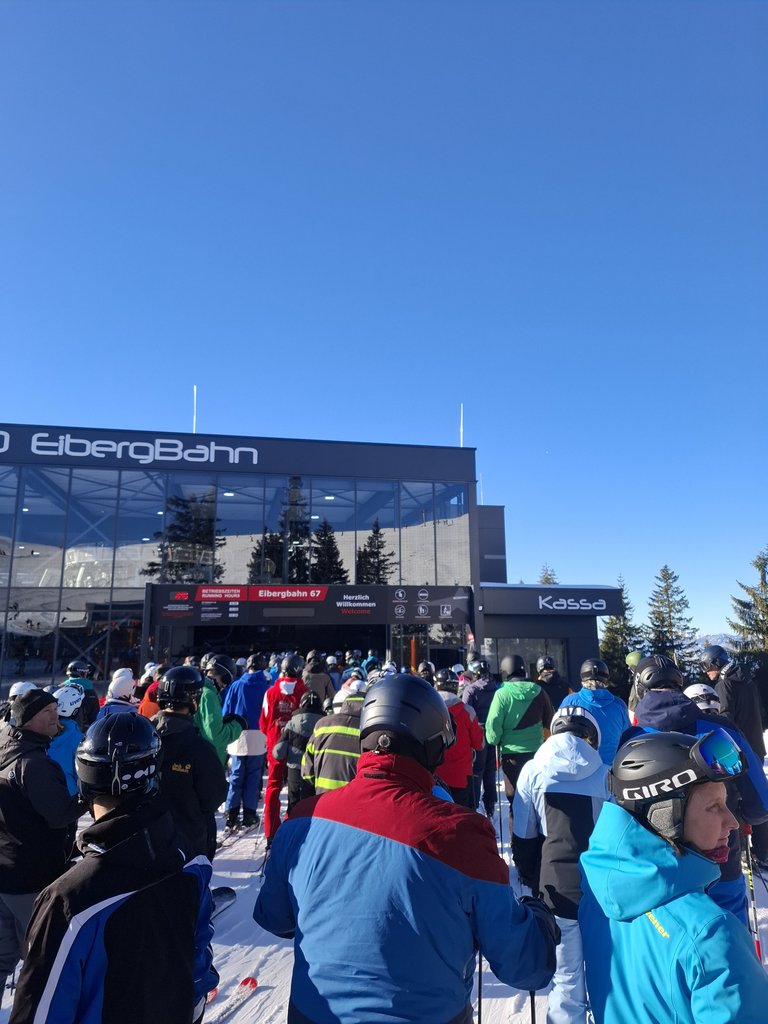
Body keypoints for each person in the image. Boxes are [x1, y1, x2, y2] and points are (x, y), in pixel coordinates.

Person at [254, 673, 559, 1024]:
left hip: (311, 1014)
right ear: (433, 748)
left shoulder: (302, 820)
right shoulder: (462, 834)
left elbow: (275, 917)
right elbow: (526, 966)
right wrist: (539, 917)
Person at [9, 713, 218, 1024]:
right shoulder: (192, 863)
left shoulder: (69, 900)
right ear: (153, 778)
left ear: (84, 780)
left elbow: (40, 1013)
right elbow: (198, 962)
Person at [579, 729, 768, 1023]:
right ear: (665, 816)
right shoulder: (710, 934)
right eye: (714, 807)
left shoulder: (597, 887)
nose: (732, 821)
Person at [630, 654, 768, 925]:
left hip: (659, 871)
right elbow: (761, 804)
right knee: (728, 940)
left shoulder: (631, 739)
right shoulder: (721, 731)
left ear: (640, 690)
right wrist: (735, 813)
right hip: (719, 861)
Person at [513, 705, 610, 1024]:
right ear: (592, 737)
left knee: (566, 980)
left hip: (555, 890)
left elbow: (524, 838)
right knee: (607, 973)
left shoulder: (532, 771)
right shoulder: (606, 774)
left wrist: (530, 883)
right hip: (601, 891)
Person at [0, 689, 84, 995]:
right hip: (31, 878)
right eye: (46, 712)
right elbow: (59, 815)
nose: (55, 717)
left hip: (6, 871)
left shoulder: (7, 746)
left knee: (3, 956)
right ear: (28, 720)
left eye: (55, 709)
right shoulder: (34, 764)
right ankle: (35, 1012)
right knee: (45, 959)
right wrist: (89, 797)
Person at [153, 666, 228, 860]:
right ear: (193, 699)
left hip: (147, 842)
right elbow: (213, 797)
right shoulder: (200, 748)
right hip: (188, 843)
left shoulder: (143, 737)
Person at [486, 654, 553, 829]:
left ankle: (518, 841)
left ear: (505, 671)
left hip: (511, 758)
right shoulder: (539, 691)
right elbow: (550, 721)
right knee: (538, 799)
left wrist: (498, 739)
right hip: (537, 755)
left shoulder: (501, 694)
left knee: (516, 802)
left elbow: (492, 732)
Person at [260, 654, 308, 847]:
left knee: (273, 787)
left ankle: (271, 831)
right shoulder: (304, 691)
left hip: (275, 745)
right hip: (297, 747)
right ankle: (292, 827)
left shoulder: (271, 692)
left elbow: (263, 722)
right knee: (296, 789)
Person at [221, 652, 271, 831]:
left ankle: (231, 814)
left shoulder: (236, 685)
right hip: (258, 733)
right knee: (253, 775)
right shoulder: (266, 686)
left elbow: (226, 710)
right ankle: (249, 814)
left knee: (236, 775)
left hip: (238, 732)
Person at [559, 658, 630, 765]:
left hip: (581, 768)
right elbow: (627, 737)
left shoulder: (570, 701)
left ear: (582, 678)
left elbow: (560, 735)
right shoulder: (619, 704)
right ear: (606, 679)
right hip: (612, 768)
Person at [302, 683, 365, 796]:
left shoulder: (322, 725)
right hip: (354, 800)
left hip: (323, 798)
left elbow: (307, 769)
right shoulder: (368, 731)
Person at [434, 668, 484, 807]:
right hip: (461, 777)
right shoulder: (467, 711)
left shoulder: (428, 709)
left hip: (434, 777)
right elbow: (479, 744)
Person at [273, 691, 324, 814]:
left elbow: (278, 752)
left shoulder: (292, 723)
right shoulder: (325, 723)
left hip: (295, 771)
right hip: (316, 772)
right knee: (312, 807)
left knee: (294, 806)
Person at [461, 657, 499, 818]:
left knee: (476, 771)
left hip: (477, 733)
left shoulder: (471, 689)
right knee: (490, 771)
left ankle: (474, 804)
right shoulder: (497, 688)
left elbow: (465, 711)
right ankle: (490, 805)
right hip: (493, 732)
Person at [194, 653, 245, 765]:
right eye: (227, 681)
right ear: (225, 677)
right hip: (208, 760)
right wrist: (238, 726)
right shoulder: (209, 695)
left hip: (198, 756)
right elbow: (216, 736)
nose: (224, 686)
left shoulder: (200, 690)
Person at [48, 685, 86, 795]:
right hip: (69, 796)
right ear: (75, 711)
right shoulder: (78, 739)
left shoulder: (42, 732)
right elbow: (82, 777)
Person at [63, 660, 100, 727]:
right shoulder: (90, 691)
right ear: (82, 673)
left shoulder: (60, 688)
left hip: (62, 726)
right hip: (83, 728)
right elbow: (95, 715)